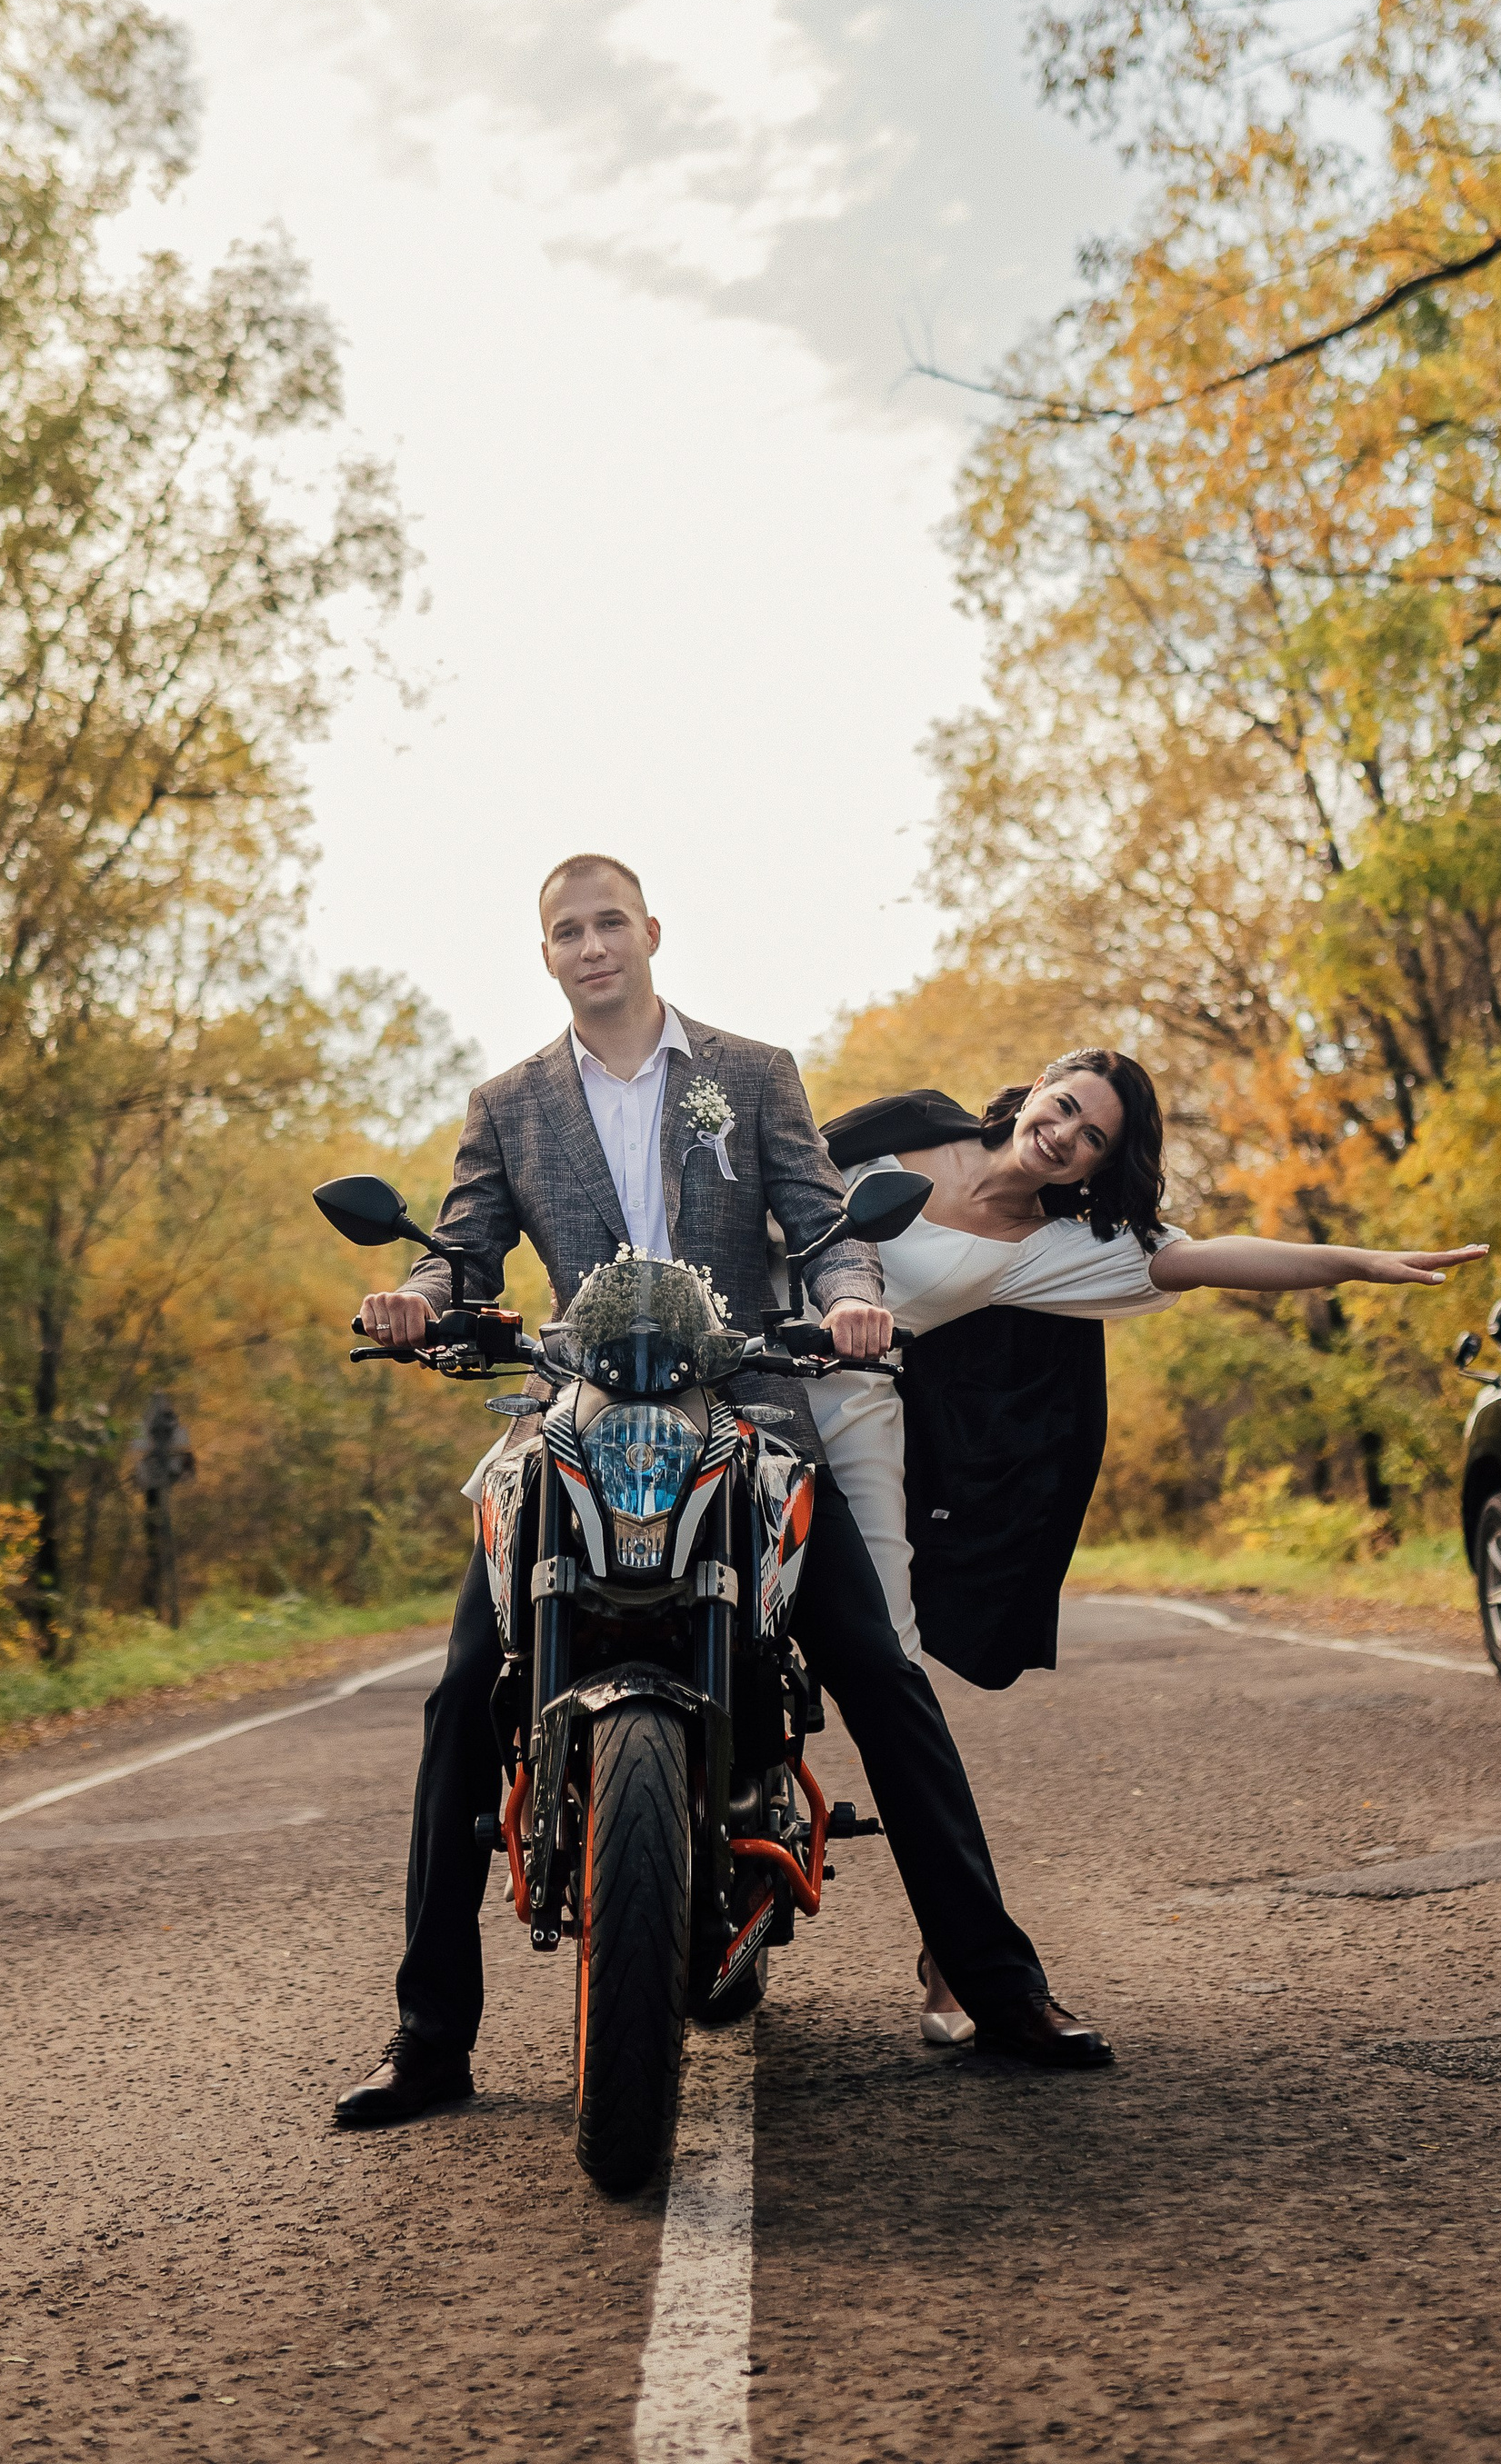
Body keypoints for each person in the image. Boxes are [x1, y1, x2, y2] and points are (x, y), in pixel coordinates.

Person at [335, 856, 1114, 2130]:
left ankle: (1000, 1983)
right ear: (546, 955)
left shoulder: (751, 1073)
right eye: (566, 932)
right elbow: (464, 1246)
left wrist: (852, 1294)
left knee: (879, 1670)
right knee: (458, 1692)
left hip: (748, 1405)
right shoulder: (510, 1102)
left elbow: (823, 1220)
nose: (592, 948)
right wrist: (419, 1299)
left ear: (650, 932)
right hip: (570, 1416)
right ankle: (430, 2036)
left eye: (608, 924)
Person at [808, 1052, 1486, 2044]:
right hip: (728, 1367)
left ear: (1094, 1166)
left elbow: (1208, 1256)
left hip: (857, 1412)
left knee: (890, 1671)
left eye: (1093, 1140)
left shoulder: (1055, 1247)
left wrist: (1358, 1262)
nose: (1067, 1136)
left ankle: (961, 1956)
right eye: (1068, 1108)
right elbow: (773, 1176)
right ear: (1038, 1084)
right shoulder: (906, 1121)